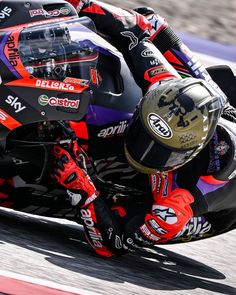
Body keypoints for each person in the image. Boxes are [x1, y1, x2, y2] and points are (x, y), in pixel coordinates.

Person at [49, 0, 236, 257]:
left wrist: (80, 187)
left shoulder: (183, 200)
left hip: (216, 208)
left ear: (188, 153)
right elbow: (138, 27)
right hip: (219, 107)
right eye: (145, 135)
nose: (145, 150)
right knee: (153, 23)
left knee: (128, 214)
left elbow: (113, 244)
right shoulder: (162, 82)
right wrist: (75, 5)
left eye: (161, 151)